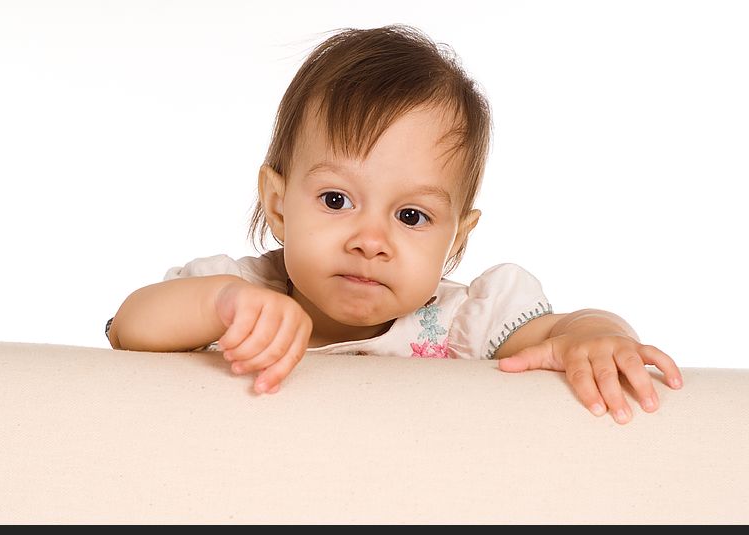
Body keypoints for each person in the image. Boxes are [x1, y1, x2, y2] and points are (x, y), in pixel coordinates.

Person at [105, 25, 682, 424]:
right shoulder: (239, 297)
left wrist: (594, 338)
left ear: (456, 237)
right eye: (336, 200)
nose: (370, 241)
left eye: (411, 216)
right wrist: (220, 306)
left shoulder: (462, 323)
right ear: (278, 204)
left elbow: (567, 328)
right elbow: (130, 327)